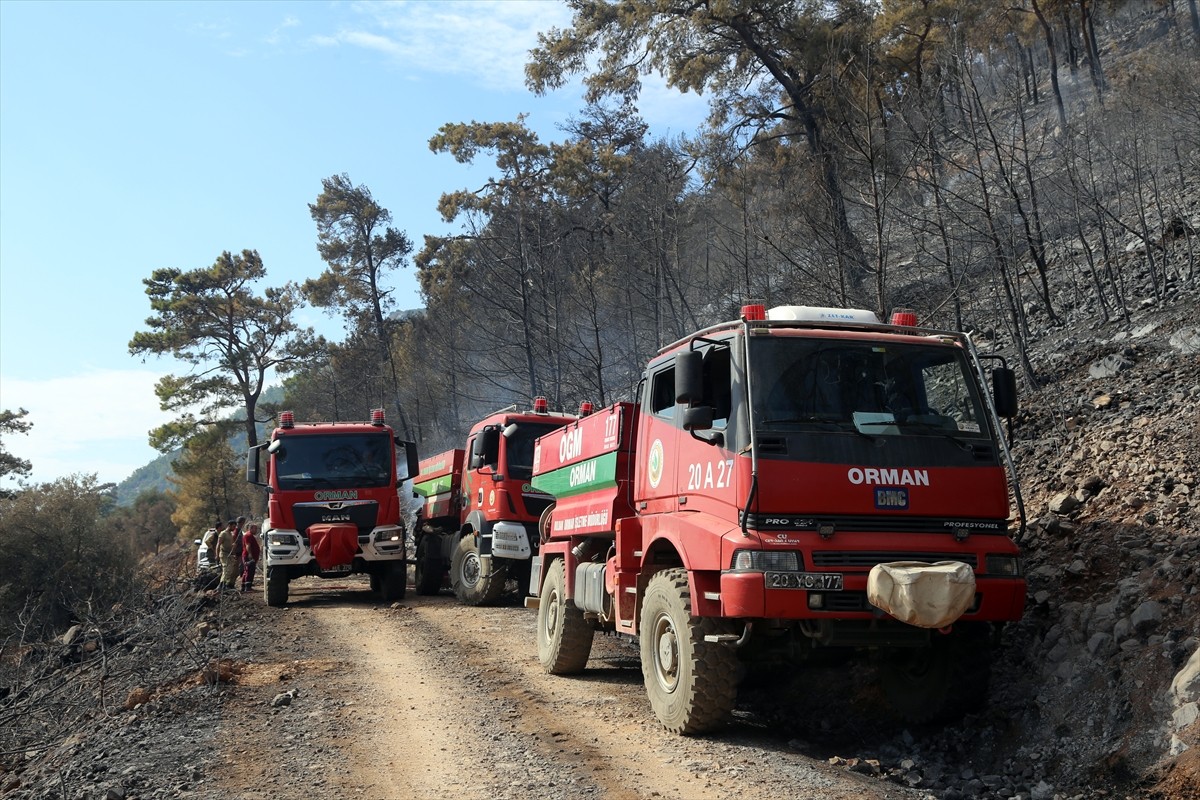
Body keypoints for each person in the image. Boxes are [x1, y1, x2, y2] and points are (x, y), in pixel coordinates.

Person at [215, 519, 240, 591]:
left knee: (232, 570)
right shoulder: (223, 534)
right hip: (224, 554)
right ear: (229, 526)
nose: (234, 528)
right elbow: (218, 544)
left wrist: (234, 548)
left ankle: (228, 585)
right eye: (233, 526)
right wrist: (217, 555)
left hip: (230, 554)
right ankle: (221, 585)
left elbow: (231, 545)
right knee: (226, 569)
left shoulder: (230, 534)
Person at [240, 522, 261, 592]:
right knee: (249, 571)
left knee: (247, 570)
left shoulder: (250, 536)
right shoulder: (248, 535)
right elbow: (247, 545)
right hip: (249, 557)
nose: (256, 530)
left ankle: (244, 586)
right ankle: (247, 587)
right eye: (255, 529)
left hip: (251, 556)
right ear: (251, 528)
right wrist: (250, 555)